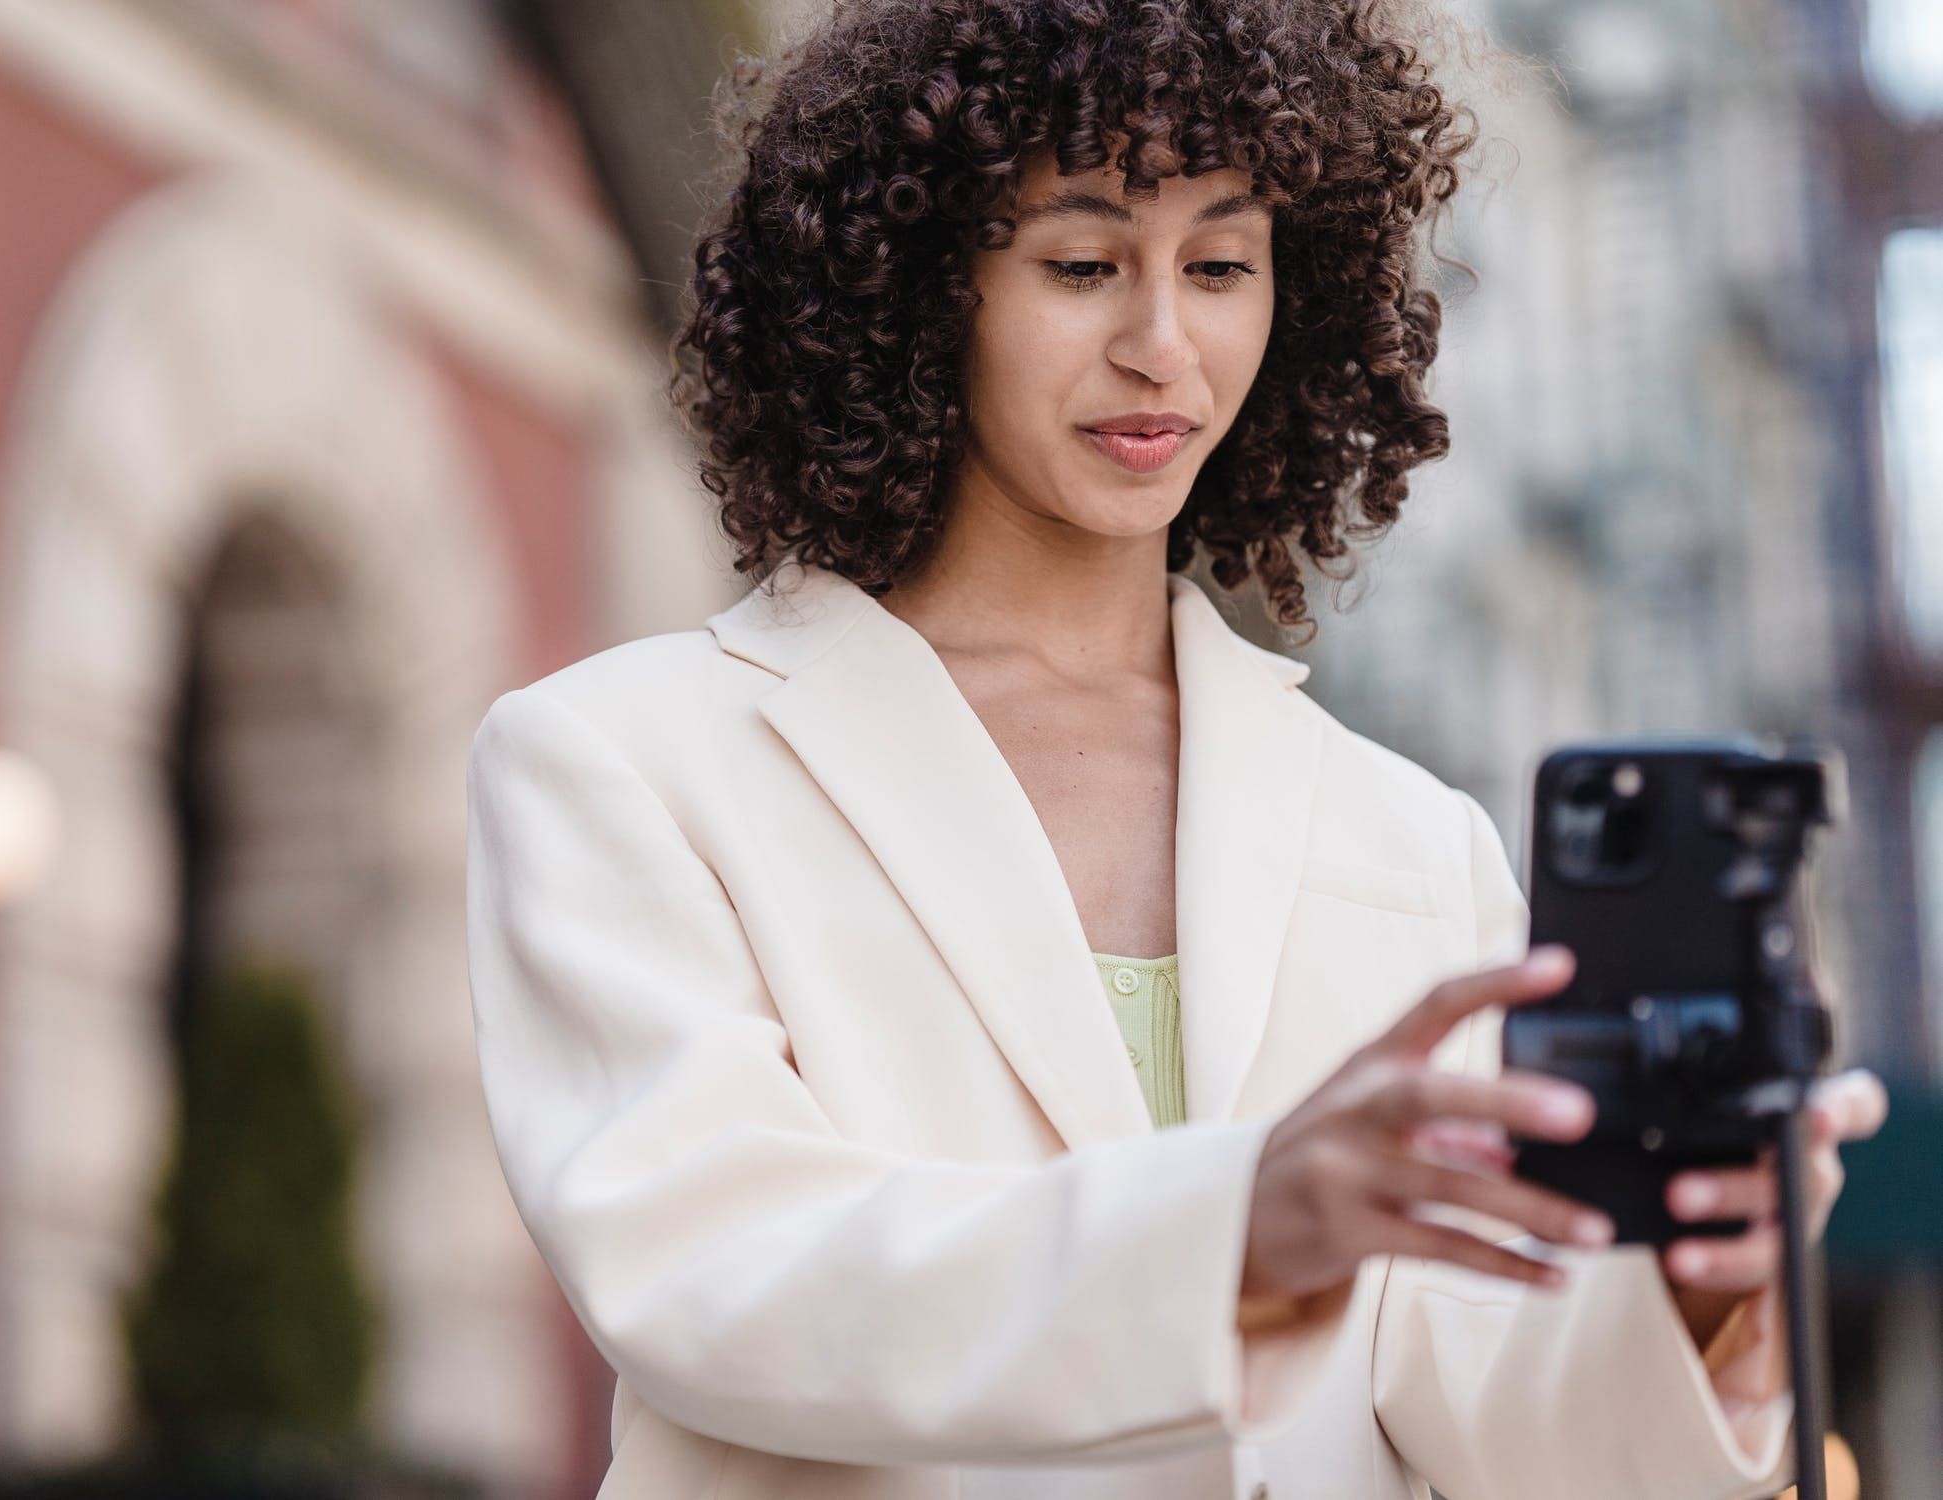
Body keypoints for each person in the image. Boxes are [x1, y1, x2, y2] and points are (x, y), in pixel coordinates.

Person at [463, 2, 1890, 1496]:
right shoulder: (618, 761)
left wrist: (1694, 1283)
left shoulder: (1407, 840)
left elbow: (1494, 1422)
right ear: (915, 286)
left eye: (1219, 266)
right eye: (1081, 265)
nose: (1161, 346)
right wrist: (1236, 1235)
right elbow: (725, 1285)